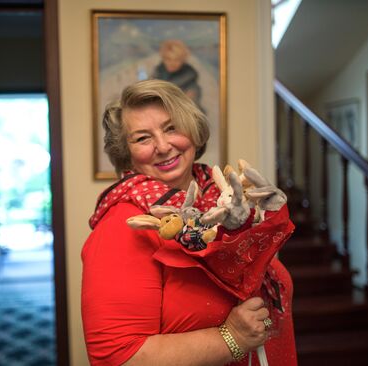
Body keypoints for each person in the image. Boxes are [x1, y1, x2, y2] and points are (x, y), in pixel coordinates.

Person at [81, 79, 296, 365]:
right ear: (127, 153)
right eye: (142, 138)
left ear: (193, 131)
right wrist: (232, 337)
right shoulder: (126, 225)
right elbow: (116, 356)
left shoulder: (225, 203)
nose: (162, 145)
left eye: (171, 128)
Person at [152, 39, 203, 109]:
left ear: (183, 60)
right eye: (168, 59)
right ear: (163, 59)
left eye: (177, 59)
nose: (172, 63)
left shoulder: (190, 84)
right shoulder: (156, 75)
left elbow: (191, 111)